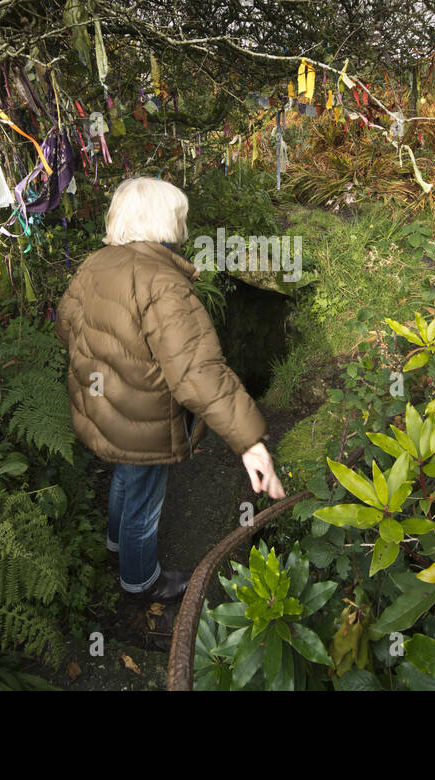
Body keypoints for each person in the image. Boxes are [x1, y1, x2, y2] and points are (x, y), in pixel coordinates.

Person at [54, 176, 285, 604]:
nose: (184, 221)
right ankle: (141, 581)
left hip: (105, 407)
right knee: (143, 499)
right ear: (163, 220)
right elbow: (196, 369)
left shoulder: (95, 264)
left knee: (125, 476)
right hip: (143, 417)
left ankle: (116, 545)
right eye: (179, 214)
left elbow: (66, 325)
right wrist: (249, 442)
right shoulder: (162, 282)